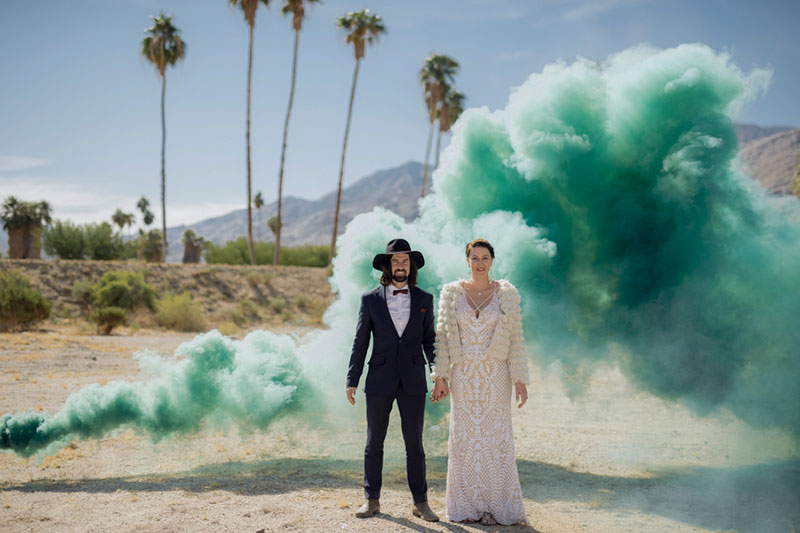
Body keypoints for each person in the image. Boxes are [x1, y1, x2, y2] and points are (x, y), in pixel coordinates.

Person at [430, 238, 530, 526]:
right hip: (463, 376)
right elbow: (443, 339)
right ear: (467, 261)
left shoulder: (506, 294)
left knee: (494, 438)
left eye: (485, 257)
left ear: (492, 260)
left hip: (496, 376)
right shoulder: (451, 293)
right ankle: (467, 507)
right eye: (475, 258)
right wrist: (441, 375)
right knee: (465, 438)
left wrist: (520, 380)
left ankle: (495, 507)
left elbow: (516, 340)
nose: (480, 263)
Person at [346, 238, 439, 522]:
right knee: (374, 443)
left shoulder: (425, 299)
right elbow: (360, 341)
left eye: (405, 261)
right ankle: (371, 500)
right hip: (379, 379)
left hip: (413, 379)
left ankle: (420, 503)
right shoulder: (370, 300)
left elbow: (430, 340)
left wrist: (437, 371)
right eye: (396, 260)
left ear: (411, 267)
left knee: (415, 445)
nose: (401, 265)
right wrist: (352, 378)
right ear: (387, 266)